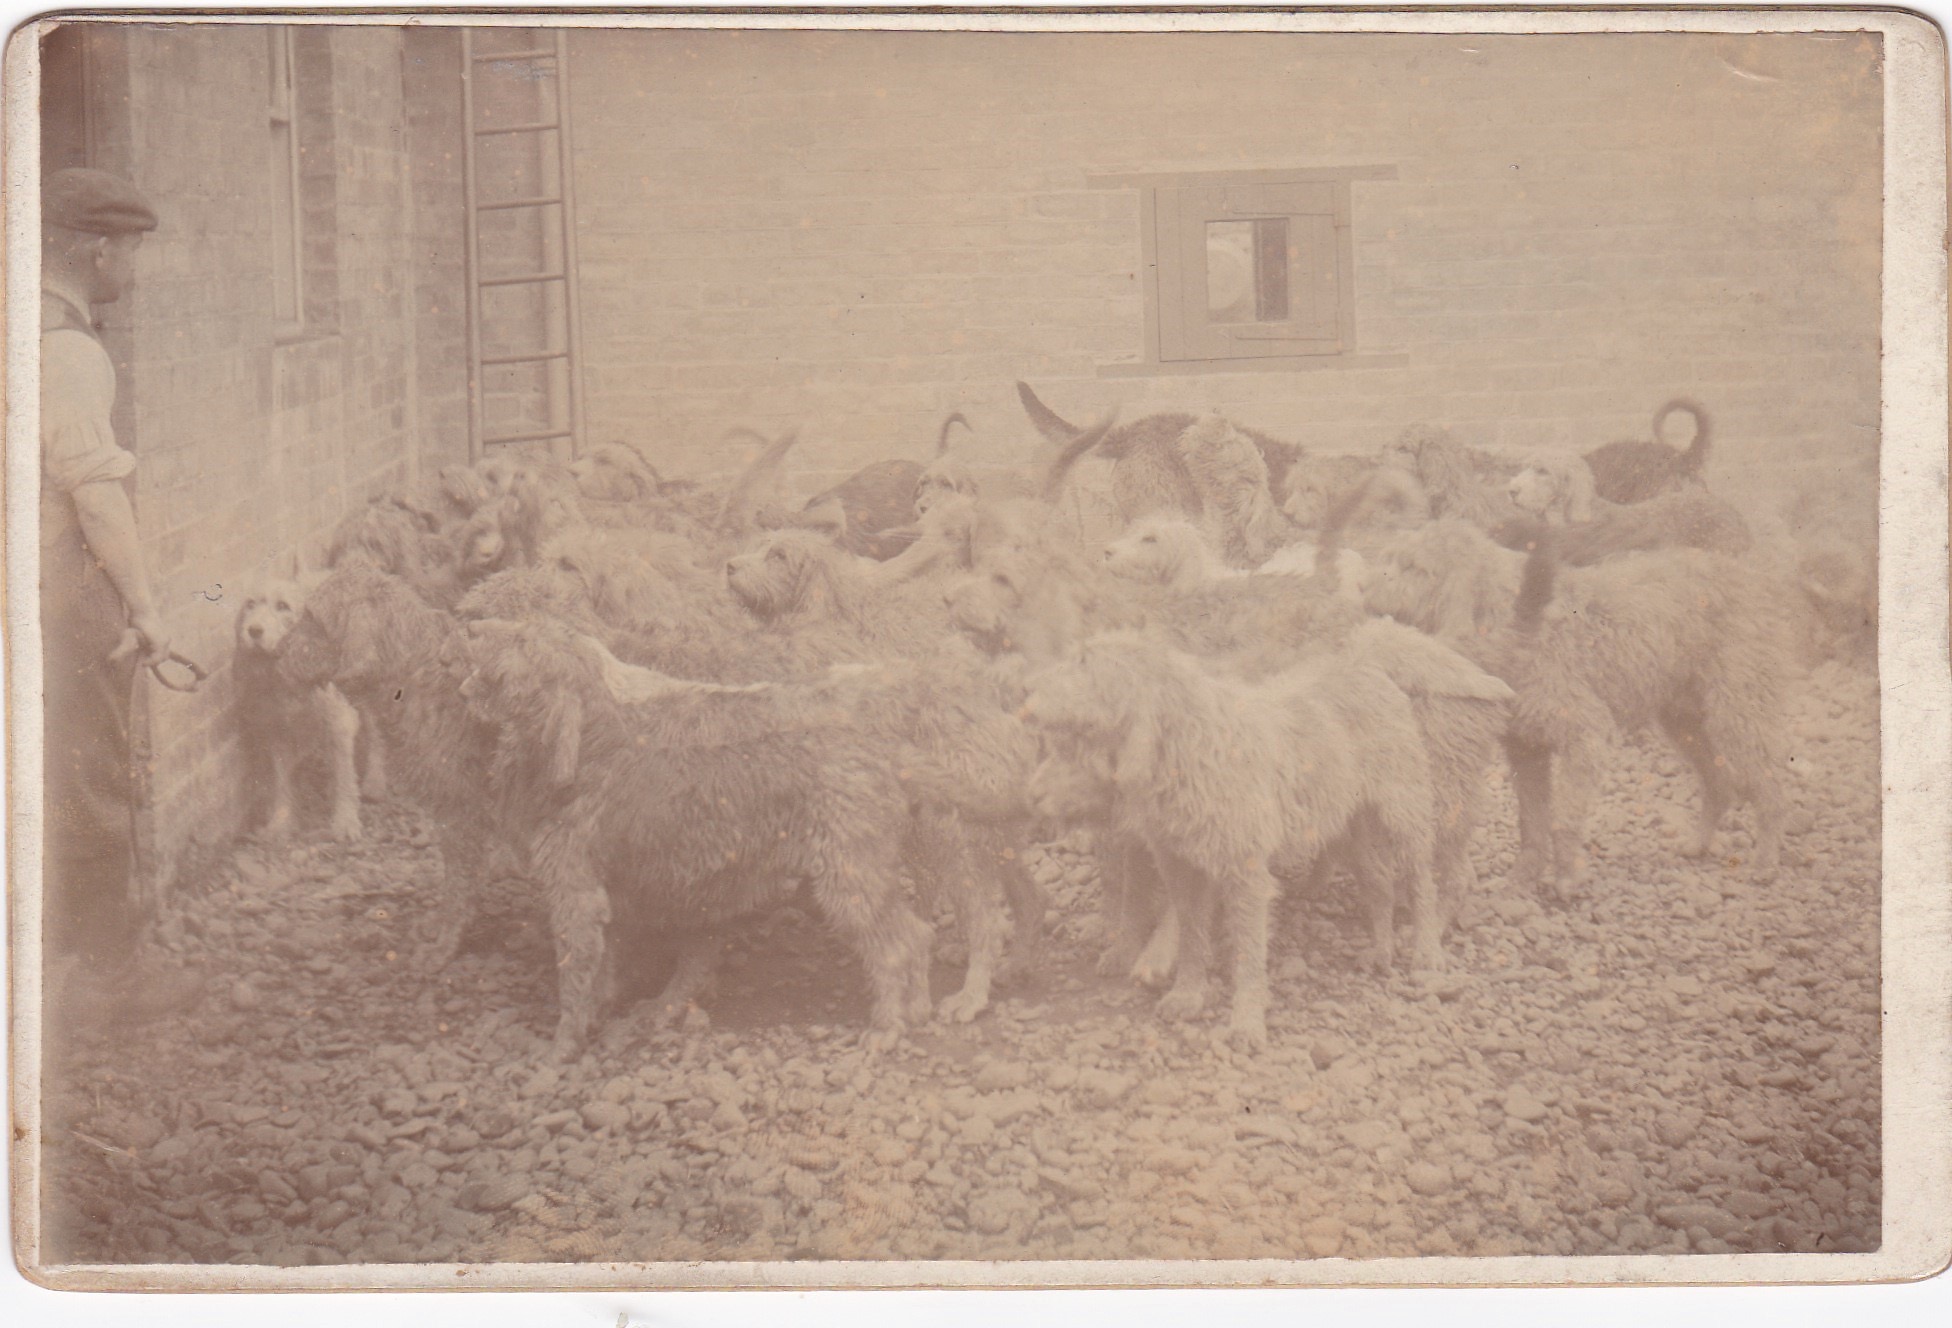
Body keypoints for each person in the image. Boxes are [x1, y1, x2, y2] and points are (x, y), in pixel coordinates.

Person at [40, 166, 201, 1029]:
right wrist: (144, 610)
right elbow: (96, 495)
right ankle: (111, 976)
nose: (131, 271)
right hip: (58, 589)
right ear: (98, 251)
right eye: (130, 252)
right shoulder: (66, 349)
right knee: (93, 779)